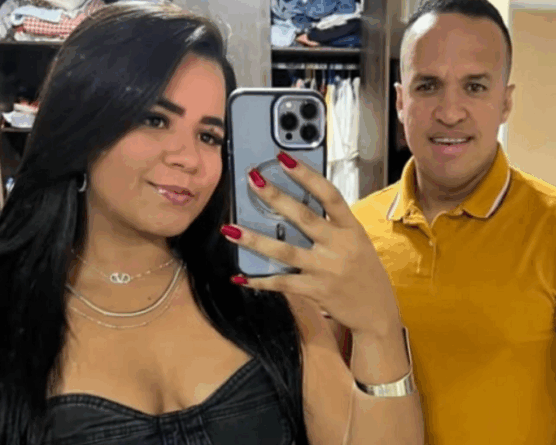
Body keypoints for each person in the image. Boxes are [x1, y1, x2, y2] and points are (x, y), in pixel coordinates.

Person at [0, 2, 423, 444]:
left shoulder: (264, 293)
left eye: (208, 136)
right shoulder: (13, 301)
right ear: (84, 123)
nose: (188, 159)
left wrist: (378, 327)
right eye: (155, 119)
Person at [350, 0, 556, 444]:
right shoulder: (354, 232)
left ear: (505, 102)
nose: (450, 112)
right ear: (400, 101)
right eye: (428, 86)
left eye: (474, 87)